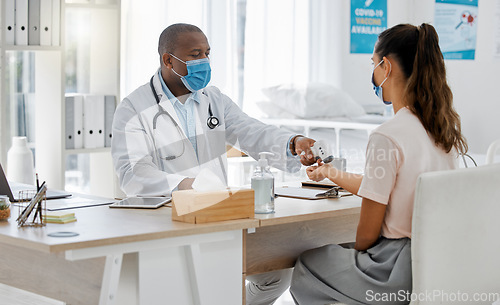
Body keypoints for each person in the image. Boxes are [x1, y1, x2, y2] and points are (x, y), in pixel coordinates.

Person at [111, 23, 316, 305]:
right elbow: (131, 171)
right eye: (195, 54)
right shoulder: (134, 107)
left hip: (217, 213)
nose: (204, 62)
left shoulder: (213, 100)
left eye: (207, 53)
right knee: (191, 287)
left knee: (276, 275)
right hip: (168, 218)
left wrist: (291, 142)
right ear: (168, 60)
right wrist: (186, 187)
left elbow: (250, 130)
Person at [289, 23, 468, 305]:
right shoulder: (439, 129)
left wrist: (356, 252)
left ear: (386, 67)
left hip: (393, 271)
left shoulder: (387, 134)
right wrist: (330, 172)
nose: (372, 72)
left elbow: (367, 234)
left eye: (373, 64)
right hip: (437, 262)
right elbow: (390, 187)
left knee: (309, 263)